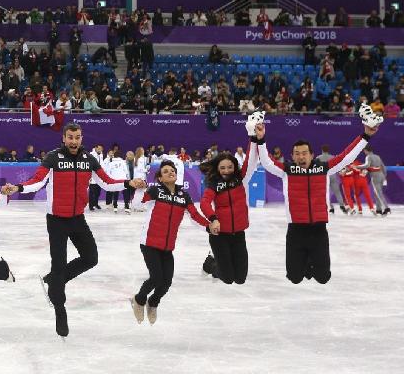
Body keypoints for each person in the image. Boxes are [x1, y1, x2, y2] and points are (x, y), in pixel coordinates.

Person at [1, 123, 146, 337]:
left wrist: (129, 183)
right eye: (70, 137)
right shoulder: (53, 158)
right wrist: (18, 188)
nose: (74, 141)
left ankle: (54, 280)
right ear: (64, 137)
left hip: (78, 218)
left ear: (81, 138)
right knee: (58, 265)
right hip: (56, 220)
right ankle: (60, 309)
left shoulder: (89, 159)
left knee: (91, 258)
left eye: (77, 137)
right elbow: (37, 181)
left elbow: (106, 183)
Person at [255, 116, 378, 284]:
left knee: (323, 278)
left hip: (319, 230)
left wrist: (365, 136)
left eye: (304, 153)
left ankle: (312, 259)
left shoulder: (323, 168)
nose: (301, 156)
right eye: (297, 154)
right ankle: (305, 260)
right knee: (294, 278)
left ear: (312, 155)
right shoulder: (287, 170)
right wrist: (260, 140)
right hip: (296, 231)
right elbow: (267, 161)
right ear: (292, 155)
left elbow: (346, 157)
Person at [130, 161, 216, 325]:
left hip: (167, 247)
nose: (170, 173)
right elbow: (136, 205)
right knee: (156, 278)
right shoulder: (155, 191)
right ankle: (139, 300)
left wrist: (208, 226)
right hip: (149, 243)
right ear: (160, 178)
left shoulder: (184, 196)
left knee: (166, 283)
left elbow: (194, 216)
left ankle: (153, 303)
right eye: (166, 171)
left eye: (172, 170)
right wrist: (140, 188)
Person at [199, 132, 259, 285]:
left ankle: (217, 262)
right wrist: (213, 219)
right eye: (223, 168)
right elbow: (205, 202)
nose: (226, 171)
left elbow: (251, 160)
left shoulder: (240, 179)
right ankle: (210, 264)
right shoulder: (214, 183)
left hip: (238, 234)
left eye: (230, 167)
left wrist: (254, 138)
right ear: (217, 168)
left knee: (240, 279)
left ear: (235, 167)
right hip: (220, 235)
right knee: (227, 278)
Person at [355, 145, 390, 216]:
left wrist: (357, 166)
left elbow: (367, 165)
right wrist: (384, 177)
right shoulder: (377, 156)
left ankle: (386, 208)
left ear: (367, 151)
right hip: (381, 175)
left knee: (379, 193)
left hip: (375, 176)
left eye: (364, 151)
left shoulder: (368, 157)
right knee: (377, 193)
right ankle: (379, 210)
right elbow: (383, 167)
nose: (364, 152)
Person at [317, 145, 347, 214]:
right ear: (328, 150)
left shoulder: (318, 158)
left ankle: (331, 208)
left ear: (322, 150)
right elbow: (338, 166)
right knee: (337, 192)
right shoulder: (333, 157)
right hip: (333, 176)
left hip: (324, 177)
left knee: (325, 193)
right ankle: (342, 206)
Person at [88, 144, 104, 211]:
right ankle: (91, 205)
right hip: (93, 176)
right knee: (92, 192)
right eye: (99, 149)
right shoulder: (91, 154)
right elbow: (89, 165)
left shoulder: (101, 155)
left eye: (101, 149)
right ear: (95, 148)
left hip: (99, 176)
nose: (100, 150)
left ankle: (96, 203)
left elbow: (101, 165)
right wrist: (89, 176)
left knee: (98, 192)